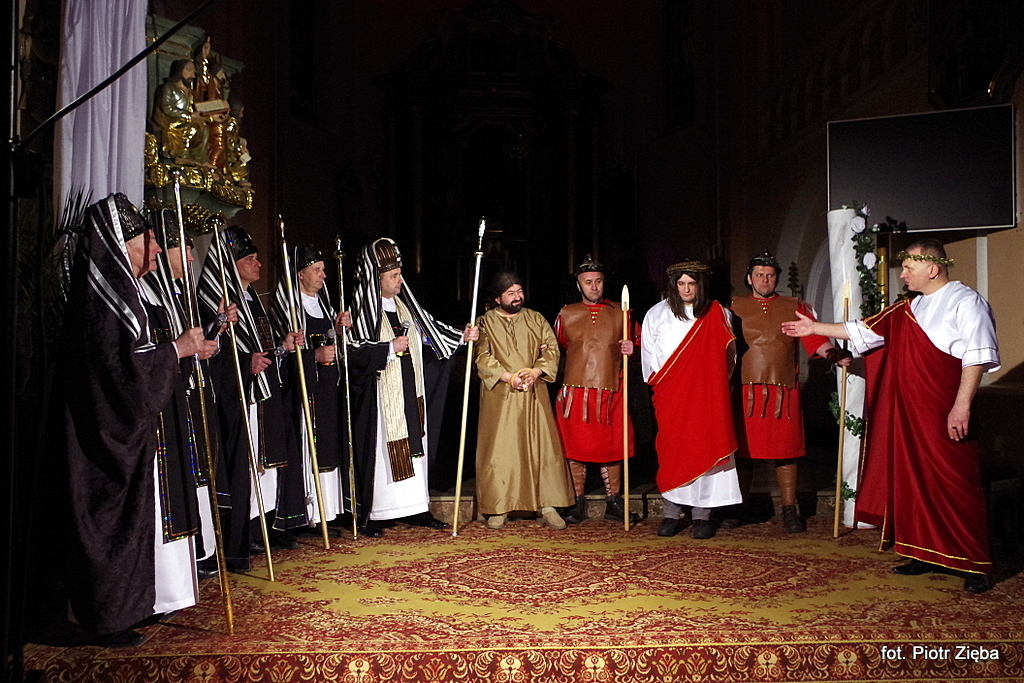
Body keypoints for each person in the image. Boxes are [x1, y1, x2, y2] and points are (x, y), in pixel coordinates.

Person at [782, 239, 999, 593]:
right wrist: (816, 329)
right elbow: (862, 330)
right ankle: (923, 552)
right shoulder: (907, 309)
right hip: (910, 415)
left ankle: (973, 562)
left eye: (910, 268)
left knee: (958, 483)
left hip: (944, 409)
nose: (903, 275)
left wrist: (962, 405)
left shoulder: (965, 301)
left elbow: (975, 356)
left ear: (933, 268)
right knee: (912, 483)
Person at [52, 194, 216, 646]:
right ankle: (107, 618)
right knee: (111, 522)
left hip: (139, 431)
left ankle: (136, 605)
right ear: (122, 247)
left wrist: (186, 351)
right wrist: (177, 350)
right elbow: (122, 375)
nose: (158, 249)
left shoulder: (131, 295)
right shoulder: (103, 302)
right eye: (148, 241)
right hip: (106, 440)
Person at [347, 238, 477, 537]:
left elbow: (430, 333)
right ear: (376, 278)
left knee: (415, 447)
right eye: (393, 275)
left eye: (399, 273)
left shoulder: (406, 306)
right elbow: (353, 351)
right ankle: (378, 512)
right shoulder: (361, 310)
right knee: (384, 452)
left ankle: (416, 508)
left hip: (409, 390)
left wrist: (461, 336)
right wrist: (388, 348)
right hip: (381, 397)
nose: (400, 280)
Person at [197, 225, 302, 572]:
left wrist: (282, 348)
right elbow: (211, 355)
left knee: (259, 470)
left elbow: (261, 349)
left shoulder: (252, 298)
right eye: (250, 259)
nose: (258, 264)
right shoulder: (216, 300)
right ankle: (232, 546)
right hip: (233, 400)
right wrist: (245, 364)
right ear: (231, 264)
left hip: (259, 396)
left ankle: (253, 531)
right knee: (238, 471)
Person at [729, 251, 850, 532]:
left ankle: (789, 509)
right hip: (746, 392)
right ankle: (739, 507)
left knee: (785, 450)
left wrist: (833, 353)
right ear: (749, 278)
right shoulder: (733, 308)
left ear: (777, 279)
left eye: (770, 275)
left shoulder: (795, 307)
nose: (765, 279)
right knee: (744, 452)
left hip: (784, 393)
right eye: (759, 274)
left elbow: (815, 338)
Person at [641, 261, 741, 540]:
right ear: (673, 285)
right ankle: (671, 513)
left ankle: (701, 516)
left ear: (701, 285)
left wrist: (711, 384)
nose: (686, 289)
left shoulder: (718, 313)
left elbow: (729, 355)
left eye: (692, 284)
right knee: (672, 450)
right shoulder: (657, 313)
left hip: (706, 395)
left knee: (705, 448)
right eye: (681, 283)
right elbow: (648, 355)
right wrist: (664, 383)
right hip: (671, 393)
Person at [474, 271, 575, 530]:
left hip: (533, 393)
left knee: (541, 446)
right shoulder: (485, 323)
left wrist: (536, 372)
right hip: (501, 397)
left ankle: (548, 505)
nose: (517, 297)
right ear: (498, 298)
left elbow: (551, 348)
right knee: (501, 450)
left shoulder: (535, 319)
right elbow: (483, 357)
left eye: (519, 291)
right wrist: (509, 377)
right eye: (510, 293)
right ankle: (499, 507)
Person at [553, 255, 639, 524]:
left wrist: (633, 348)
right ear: (578, 285)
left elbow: (640, 343)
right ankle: (576, 501)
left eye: (598, 281)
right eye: (588, 282)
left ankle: (614, 500)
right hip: (576, 391)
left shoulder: (622, 312)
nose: (594, 286)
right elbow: (558, 346)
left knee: (612, 445)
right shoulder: (566, 313)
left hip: (611, 389)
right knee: (574, 445)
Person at [271, 245, 351, 531]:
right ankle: (305, 513)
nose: (323, 275)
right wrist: (313, 357)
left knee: (329, 447)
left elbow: (334, 344)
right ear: (300, 274)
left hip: (328, 390)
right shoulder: (286, 308)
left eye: (323, 270)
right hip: (302, 393)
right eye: (316, 270)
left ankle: (326, 513)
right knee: (306, 449)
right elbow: (282, 355)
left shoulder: (325, 306)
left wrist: (340, 332)